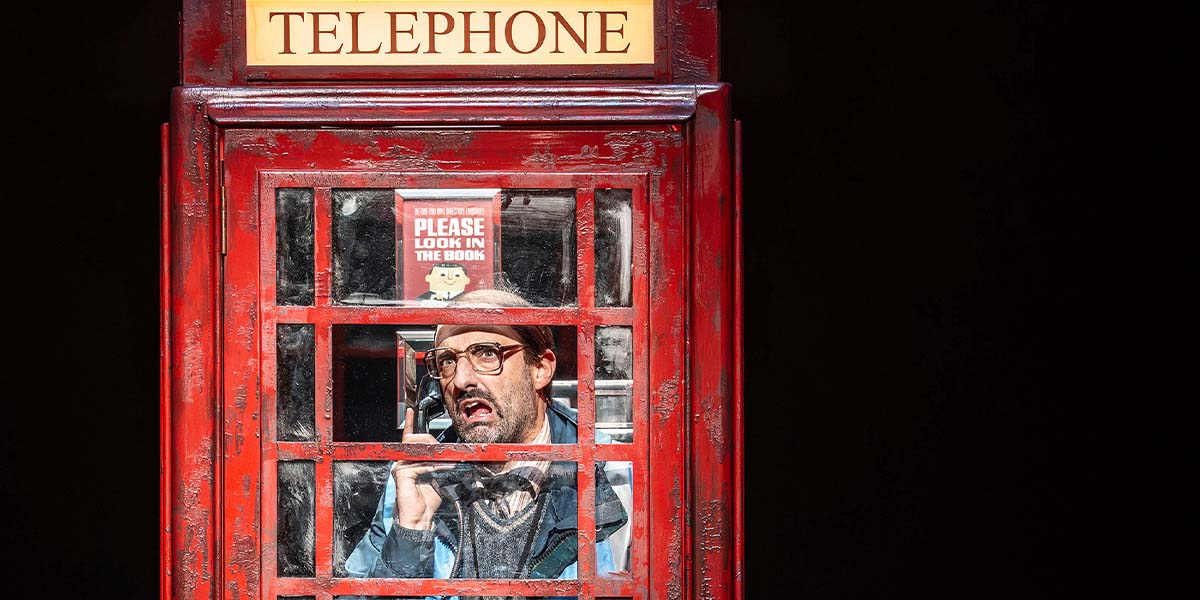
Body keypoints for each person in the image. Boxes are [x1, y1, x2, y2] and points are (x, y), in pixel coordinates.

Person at [345, 289, 630, 587]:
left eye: (486, 353)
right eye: (447, 361)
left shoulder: (615, 477)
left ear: (540, 369)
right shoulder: (411, 483)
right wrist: (411, 533)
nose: (461, 380)